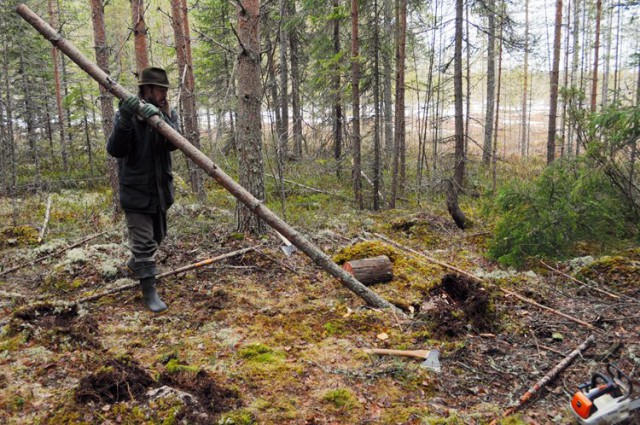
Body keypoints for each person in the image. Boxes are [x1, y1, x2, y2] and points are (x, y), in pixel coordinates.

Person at [107, 67, 180, 313]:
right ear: (146, 89)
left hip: (160, 192)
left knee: (158, 237)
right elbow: (116, 149)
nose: (163, 94)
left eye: (165, 90)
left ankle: (134, 265)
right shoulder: (126, 114)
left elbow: (174, 145)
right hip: (137, 193)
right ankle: (149, 293)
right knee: (144, 245)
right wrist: (126, 119)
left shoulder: (167, 111)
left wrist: (163, 120)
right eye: (159, 90)